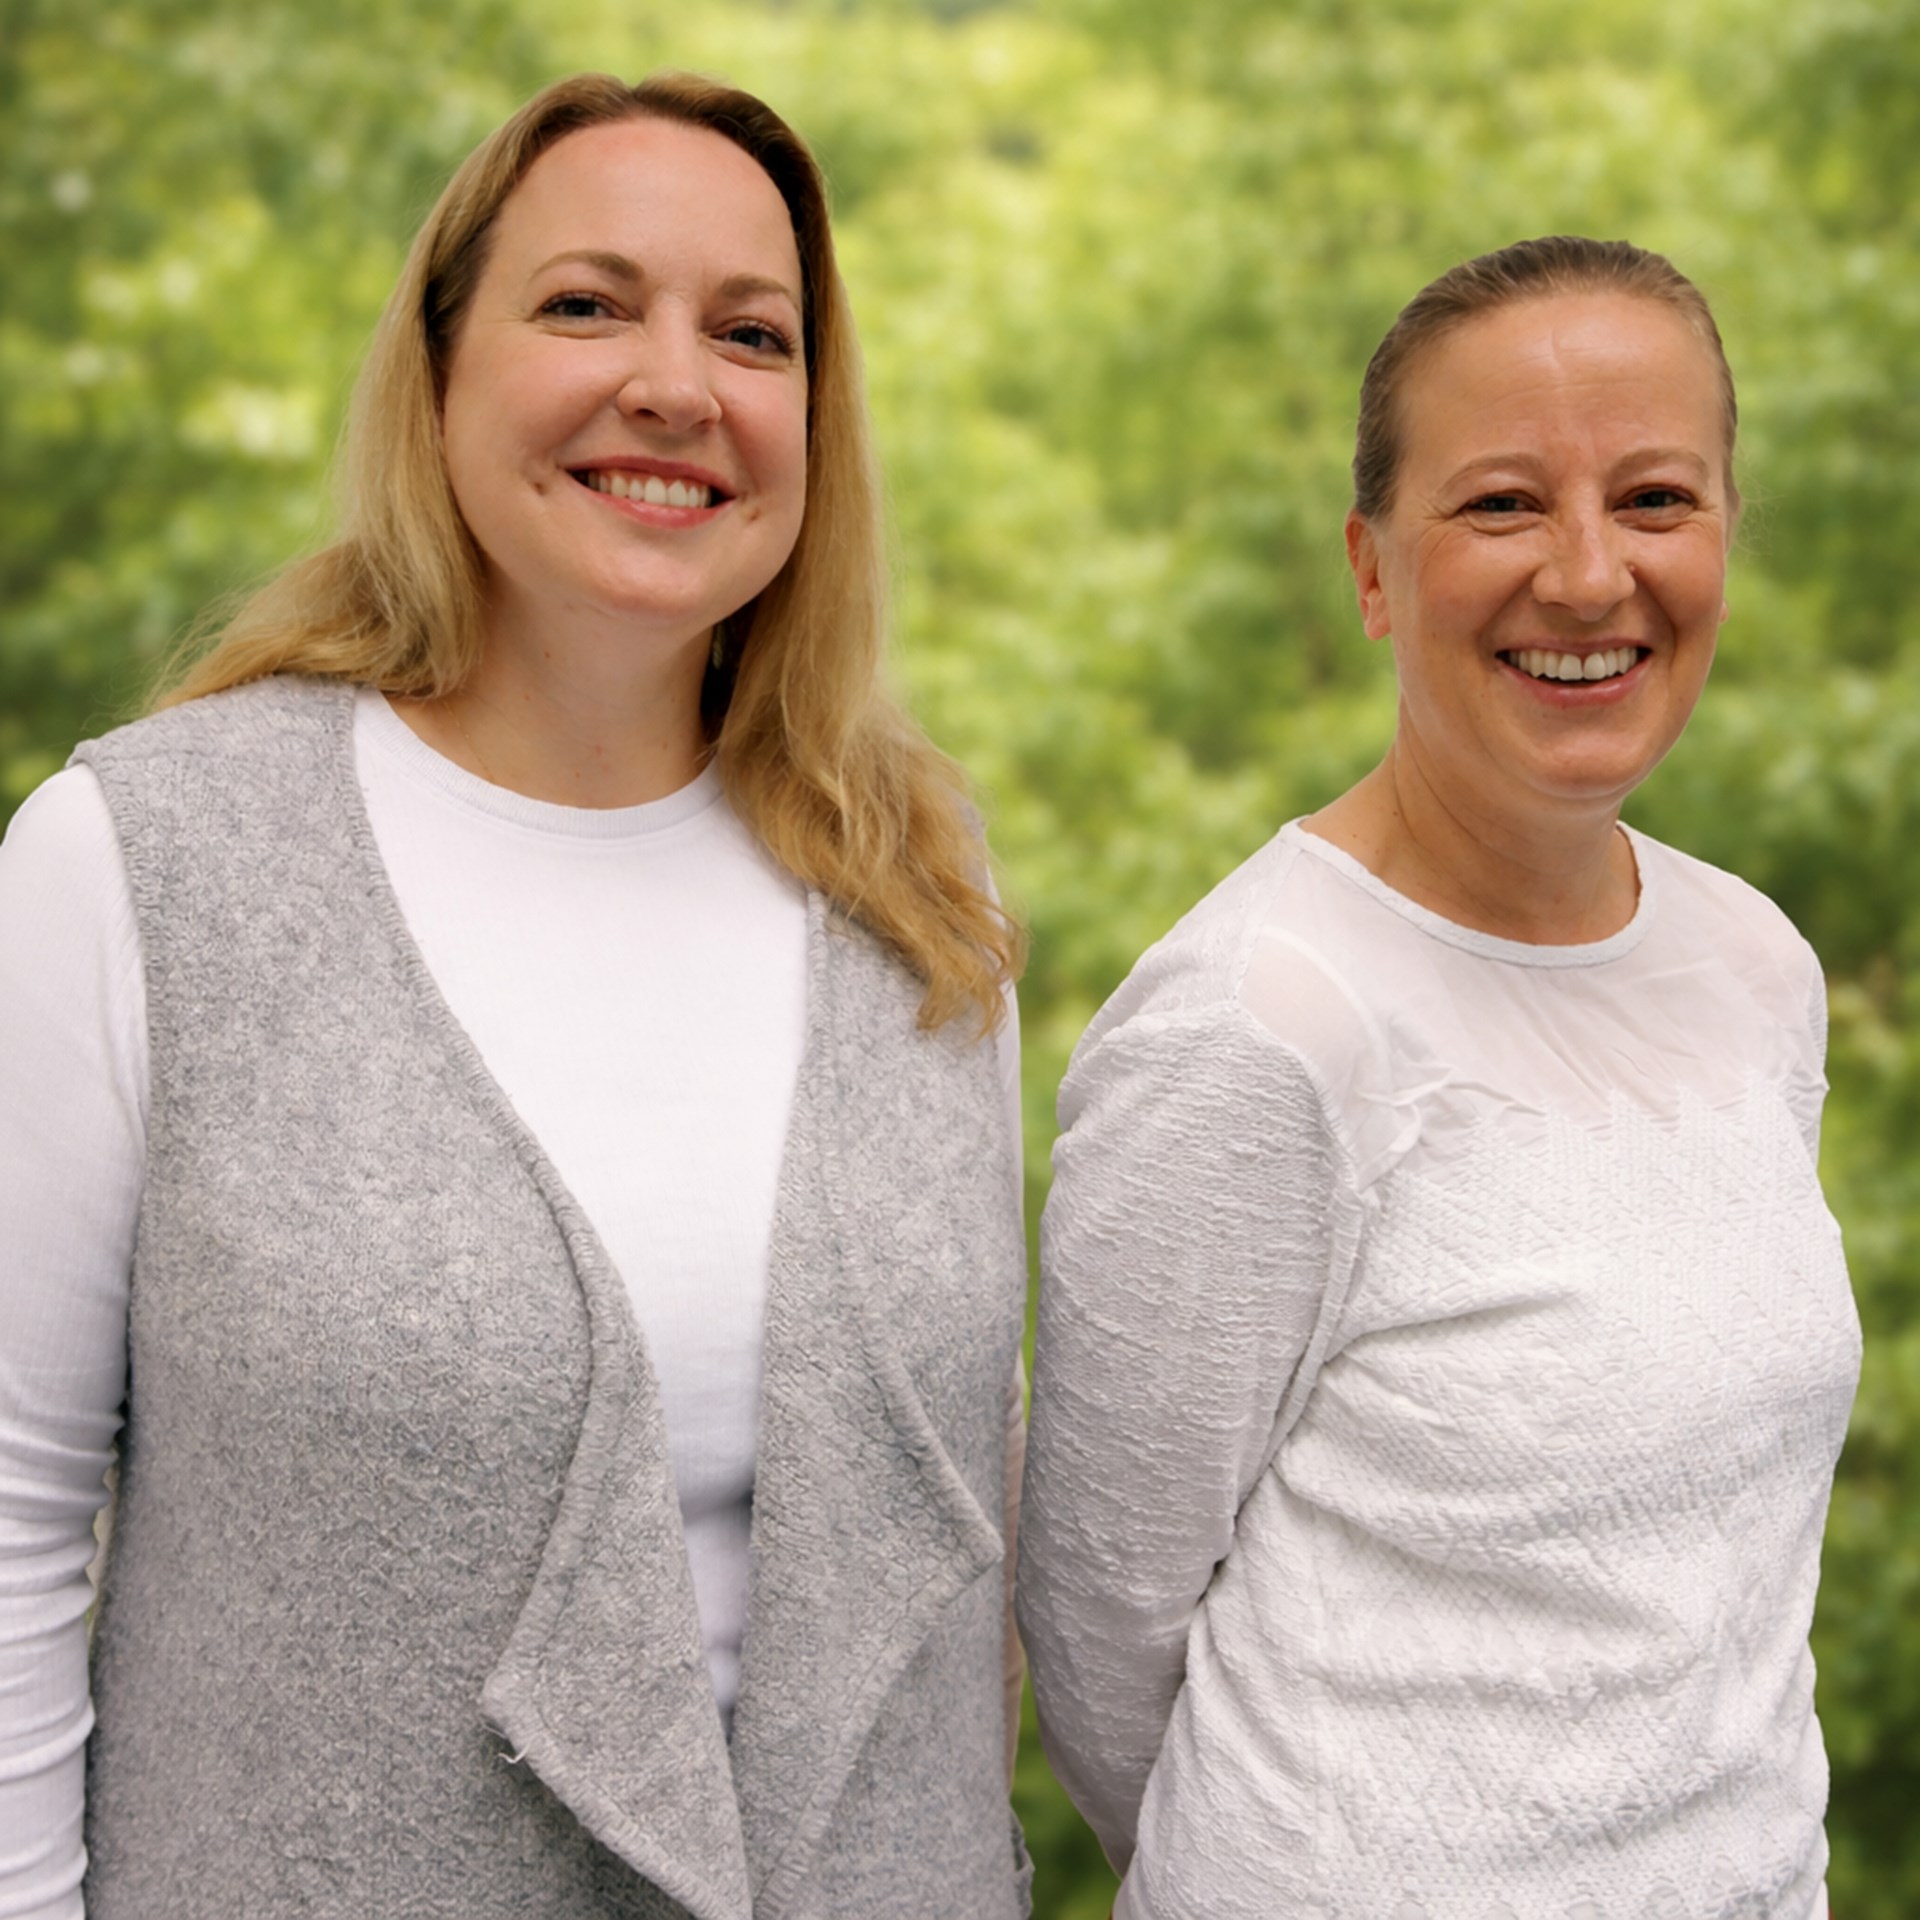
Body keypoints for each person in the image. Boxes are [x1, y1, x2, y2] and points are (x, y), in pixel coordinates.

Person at [0, 71, 1032, 1920]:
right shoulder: (138, 861)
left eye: (753, 332)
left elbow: (973, 1545)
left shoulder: (919, 883)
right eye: (586, 303)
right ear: (440, 370)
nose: (676, 383)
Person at [1018, 236, 1859, 1920]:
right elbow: (1101, 1623)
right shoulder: (1258, 1026)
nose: (1588, 574)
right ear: (1373, 569)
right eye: (1499, 506)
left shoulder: (1755, 967)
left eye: (1656, 498)